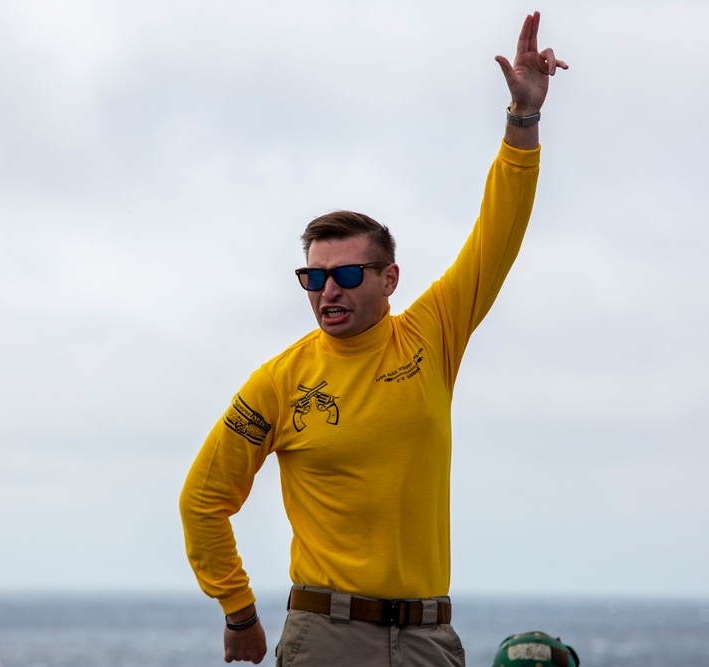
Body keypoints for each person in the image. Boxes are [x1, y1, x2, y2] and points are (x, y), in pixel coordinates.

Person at [180, 10, 567, 665]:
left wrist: (522, 121)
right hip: (326, 633)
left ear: (389, 278)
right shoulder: (279, 381)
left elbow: (497, 234)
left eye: (348, 273)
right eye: (314, 276)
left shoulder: (431, 333)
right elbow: (203, 499)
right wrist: (238, 609)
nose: (327, 290)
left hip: (428, 637)